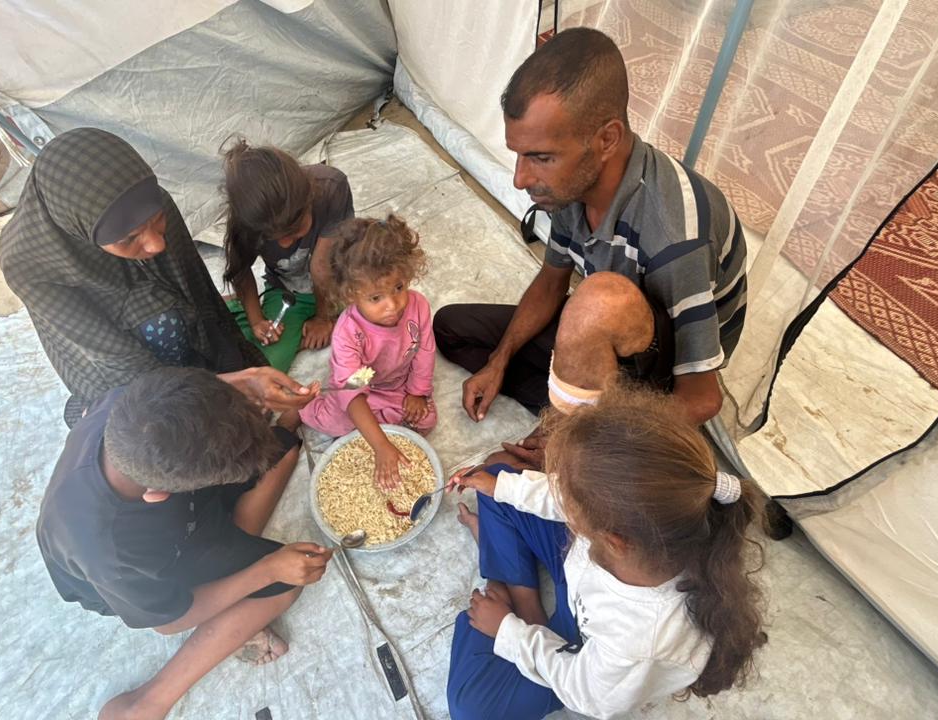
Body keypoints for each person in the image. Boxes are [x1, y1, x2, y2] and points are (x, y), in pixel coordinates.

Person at [434, 27, 747, 440]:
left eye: (541, 157)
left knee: (598, 301)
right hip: (606, 333)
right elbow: (550, 284)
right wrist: (498, 362)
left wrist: (573, 440)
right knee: (451, 329)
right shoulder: (570, 190)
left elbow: (701, 398)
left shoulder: (676, 239)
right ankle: (571, 408)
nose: (520, 179)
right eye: (519, 156)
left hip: (658, 364)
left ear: (607, 139)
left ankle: (582, 430)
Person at [444, 385, 766, 720]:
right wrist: (500, 487)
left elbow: (586, 695)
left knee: (471, 709)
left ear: (612, 539)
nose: (558, 490)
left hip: (586, 640)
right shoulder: (647, 523)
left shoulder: (638, 641)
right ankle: (528, 607)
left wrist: (510, 633)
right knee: (496, 475)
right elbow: (571, 502)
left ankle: (504, 584)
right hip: (584, 576)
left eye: (569, 496)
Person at [36, 367, 333, 720]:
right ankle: (148, 702)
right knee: (285, 584)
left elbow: (194, 396)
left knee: (281, 451)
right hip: (151, 575)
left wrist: (245, 381)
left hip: (185, 517)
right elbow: (169, 620)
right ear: (160, 494)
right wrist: (268, 571)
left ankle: (232, 553)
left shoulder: (130, 406)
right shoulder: (111, 554)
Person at [0, 128, 316, 427]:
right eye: (129, 238)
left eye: (158, 221)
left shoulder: (152, 202)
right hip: (117, 369)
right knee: (164, 442)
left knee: (244, 418)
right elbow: (119, 360)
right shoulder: (30, 264)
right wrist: (231, 386)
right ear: (80, 229)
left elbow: (201, 300)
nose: (156, 244)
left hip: (184, 347)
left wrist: (241, 372)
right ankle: (94, 410)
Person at [298, 215, 437, 490]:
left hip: (397, 383)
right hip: (361, 379)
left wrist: (417, 392)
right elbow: (353, 391)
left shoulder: (417, 306)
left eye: (398, 288)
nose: (393, 305)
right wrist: (382, 445)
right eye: (376, 298)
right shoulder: (349, 332)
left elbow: (424, 351)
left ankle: (382, 420)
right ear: (350, 295)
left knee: (427, 418)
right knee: (336, 421)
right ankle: (303, 407)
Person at [221, 140, 355, 372]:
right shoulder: (245, 225)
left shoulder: (331, 187)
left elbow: (322, 266)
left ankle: (319, 321)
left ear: (309, 198)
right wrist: (256, 320)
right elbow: (240, 271)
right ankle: (239, 309)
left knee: (382, 320)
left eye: (293, 231)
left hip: (340, 280)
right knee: (267, 366)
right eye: (274, 237)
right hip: (291, 292)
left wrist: (323, 319)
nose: (285, 243)